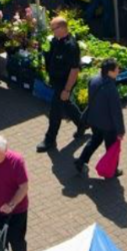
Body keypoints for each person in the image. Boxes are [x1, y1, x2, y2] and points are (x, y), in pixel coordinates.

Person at [37, 16, 84, 153]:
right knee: (65, 103)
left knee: (55, 112)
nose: (52, 32)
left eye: (54, 29)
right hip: (56, 81)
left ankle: (50, 139)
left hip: (64, 83)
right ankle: (82, 123)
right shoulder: (55, 41)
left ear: (63, 28)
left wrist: (67, 89)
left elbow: (74, 70)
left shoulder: (71, 46)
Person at [75, 58, 126, 178]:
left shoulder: (94, 80)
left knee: (95, 140)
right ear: (109, 72)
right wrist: (120, 131)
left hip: (94, 120)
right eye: (116, 69)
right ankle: (112, 170)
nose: (118, 70)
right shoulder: (111, 89)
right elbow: (116, 112)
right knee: (111, 148)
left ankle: (81, 161)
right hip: (108, 126)